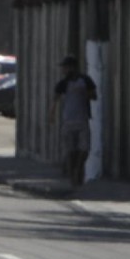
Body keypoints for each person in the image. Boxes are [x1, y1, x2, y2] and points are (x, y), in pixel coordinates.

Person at [51, 55, 97, 188]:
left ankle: (78, 168)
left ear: (72, 67)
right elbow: (55, 99)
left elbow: (94, 95)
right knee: (71, 151)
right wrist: (52, 114)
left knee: (84, 150)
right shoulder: (63, 83)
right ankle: (74, 179)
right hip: (68, 121)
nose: (63, 70)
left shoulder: (85, 80)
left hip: (82, 120)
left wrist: (86, 93)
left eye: (65, 67)